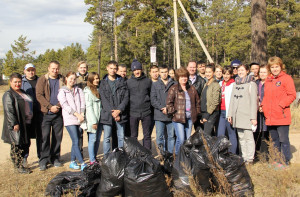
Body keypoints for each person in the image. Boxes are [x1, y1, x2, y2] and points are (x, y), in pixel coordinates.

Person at [261, 57, 296, 166]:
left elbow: (292, 95)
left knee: (283, 140)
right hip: (270, 116)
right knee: (274, 140)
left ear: (281, 66)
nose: (275, 69)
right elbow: (266, 96)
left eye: (277, 66)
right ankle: (276, 160)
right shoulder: (268, 79)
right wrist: (264, 106)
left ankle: (285, 161)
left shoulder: (286, 78)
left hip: (282, 115)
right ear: (269, 68)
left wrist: (281, 105)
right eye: (272, 67)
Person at [36, 61, 64, 171]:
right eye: (53, 68)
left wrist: (58, 106)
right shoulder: (42, 79)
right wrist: (49, 106)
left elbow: (67, 93)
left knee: (57, 137)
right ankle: (43, 159)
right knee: (44, 137)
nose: (55, 70)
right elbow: (39, 95)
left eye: (57, 68)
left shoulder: (62, 79)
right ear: (48, 68)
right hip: (45, 114)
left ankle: (55, 158)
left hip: (59, 113)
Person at [2, 73, 33, 174]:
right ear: (10, 82)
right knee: (17, 145)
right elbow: (9, 111)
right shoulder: (8, 94)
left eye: (19, 81)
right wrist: (14, 123)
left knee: (25, 144)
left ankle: (23, 163)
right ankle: (18, 166)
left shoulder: (23, 92)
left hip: (26, 123)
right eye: (15, 82)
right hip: (17, 124)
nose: (17, 84)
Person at [166, 67, 200, 155]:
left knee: (188, 139)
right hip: (178, 119)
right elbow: (169, 103)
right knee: (181, 139)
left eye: (185, 76)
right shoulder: (174, 88)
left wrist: (196, 113)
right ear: (178, 78)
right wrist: (174, 112)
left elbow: (197, 102)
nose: (184, 78)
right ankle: (177, 156)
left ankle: (185, 157)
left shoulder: (192, 89)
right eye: (181, 77)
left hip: (189, 118)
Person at [228, 64, 258, 164]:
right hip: (237, 115)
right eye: (239, 70)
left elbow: (254, 102)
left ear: (247, 71)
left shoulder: (251, 84)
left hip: (247, 115)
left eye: (242, 70)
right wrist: (230, 114)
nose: (240, 72)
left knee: (248, 137)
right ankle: (244, 157)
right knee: (241, 137)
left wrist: (253, 117)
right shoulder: (236, 84)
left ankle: (250, 158)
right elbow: (232, 100)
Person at [57, 71, 87, 170]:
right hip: (70, 119)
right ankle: (82, 163)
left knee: (76, 141)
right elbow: (65, 105)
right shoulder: (62, 91)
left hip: (79, 119)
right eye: (71, 78)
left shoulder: (78, 90)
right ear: (66, 79)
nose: (72, 81)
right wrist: (77, 114)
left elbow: (82, 102)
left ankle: (73, 162)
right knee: (76, 140)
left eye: (74, 79)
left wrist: (81, 114)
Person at [99, 61, 129, 154]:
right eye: (111, 68)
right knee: (107, 137)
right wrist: (113, 112)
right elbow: (103, 99)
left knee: (121, 136)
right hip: (107, 114)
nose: (113, 70)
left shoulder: (122, 82)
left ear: (117, 69)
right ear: (107, 68)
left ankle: (120, 156)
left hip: (120, 114)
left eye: (114, 68)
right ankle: (107, 157)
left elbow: (126, 97)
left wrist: (119, 110)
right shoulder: (103, 83)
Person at [127, 59, 152, 150]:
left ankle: (147, 154)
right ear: (132, 71)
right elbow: (127, 97)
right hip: (133, 113)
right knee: (133, 136)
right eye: (134, 70)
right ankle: (135, 155)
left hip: (146, 112)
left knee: (147, 135)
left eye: (138, 69)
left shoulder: (148, 81)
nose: (137, 72)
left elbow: (151, 95)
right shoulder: (129, 82)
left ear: (141, 69)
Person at [151, 65, 176, 153]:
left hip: (171, 115)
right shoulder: (155, 84)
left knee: (171, 136)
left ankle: (169, 155)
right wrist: (162, 108)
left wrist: (169, 109)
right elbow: (153, 99)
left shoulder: (174, 84)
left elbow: (176, 99)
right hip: (159, 115)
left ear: (168, 72)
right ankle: (162, 155)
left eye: (165, 72)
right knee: (159, 137)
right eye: (162, 72)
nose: (164, 74)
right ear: (159, 73)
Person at [21, 63, 43, 162]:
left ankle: (41, 157)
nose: (31, 72)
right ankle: (24, 157)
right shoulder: (21, 82)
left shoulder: (40, 80)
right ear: (25, 71)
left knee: (41, 136)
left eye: (32, 70)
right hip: (26, 114)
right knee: (26, 137)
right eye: (28, 70)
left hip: (39, 113)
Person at [217, 66, 237, 154]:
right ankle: (222, 153)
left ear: (231, 75)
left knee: (231, 134)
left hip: (229, 112)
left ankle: (232, 154)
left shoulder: (233, 84)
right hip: (221, 112)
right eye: (224, 74)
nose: (226, 76)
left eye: (228, 74)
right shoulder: (220, 83)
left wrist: (231, 113)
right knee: (220, 134)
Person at [84, 72, 102, 164]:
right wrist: (94, 121)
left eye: (97, 78)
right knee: (92, 139)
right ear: (90, 80)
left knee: (97, 139)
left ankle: (94, 157)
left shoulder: (98, 89)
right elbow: (89, 107)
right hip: (92, 120)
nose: (96, 80)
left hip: (100, 119)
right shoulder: (87, 91)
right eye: (94, 79)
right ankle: (92, 160)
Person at [200, 64, 221, 136]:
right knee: (208, 135)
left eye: (209, 72)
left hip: (211, 113)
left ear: (214, 73)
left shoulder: (215, 85)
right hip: (204, 112)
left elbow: (215, 101)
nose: (207, 74)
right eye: (206, 72)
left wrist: (207, 115)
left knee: (206, 135)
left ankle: (209, 147)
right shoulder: (206, 84)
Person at [254, 65, 269, 159]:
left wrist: (263, 105)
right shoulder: (256, 83)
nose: (262, 74)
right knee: (257, 131)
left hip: (267, 110)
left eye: (264, 72)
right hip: (257, 110)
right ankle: (257, 153)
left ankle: (265, 154)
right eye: (261, 72)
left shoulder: (270, 83)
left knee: (266, 131)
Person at [187, 61, 206, 131]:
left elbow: (204, 98)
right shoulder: (183, 80)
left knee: (200, 132)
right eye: (190, 67)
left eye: (194, 67)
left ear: (196, 68)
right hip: (186, 110)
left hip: (198, 111)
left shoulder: (202, 81)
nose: (192, 69)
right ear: (187, 68)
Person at [76, 61, 88, 157]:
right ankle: (79, 154)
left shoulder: (90, 78)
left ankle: (92, 154)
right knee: (79, 133)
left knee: (90, 132)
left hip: (89, 109)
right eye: (81, 67)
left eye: (84, 67)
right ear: (78, 68)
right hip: (79, 109)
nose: (83, 69)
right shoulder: (75, 79)